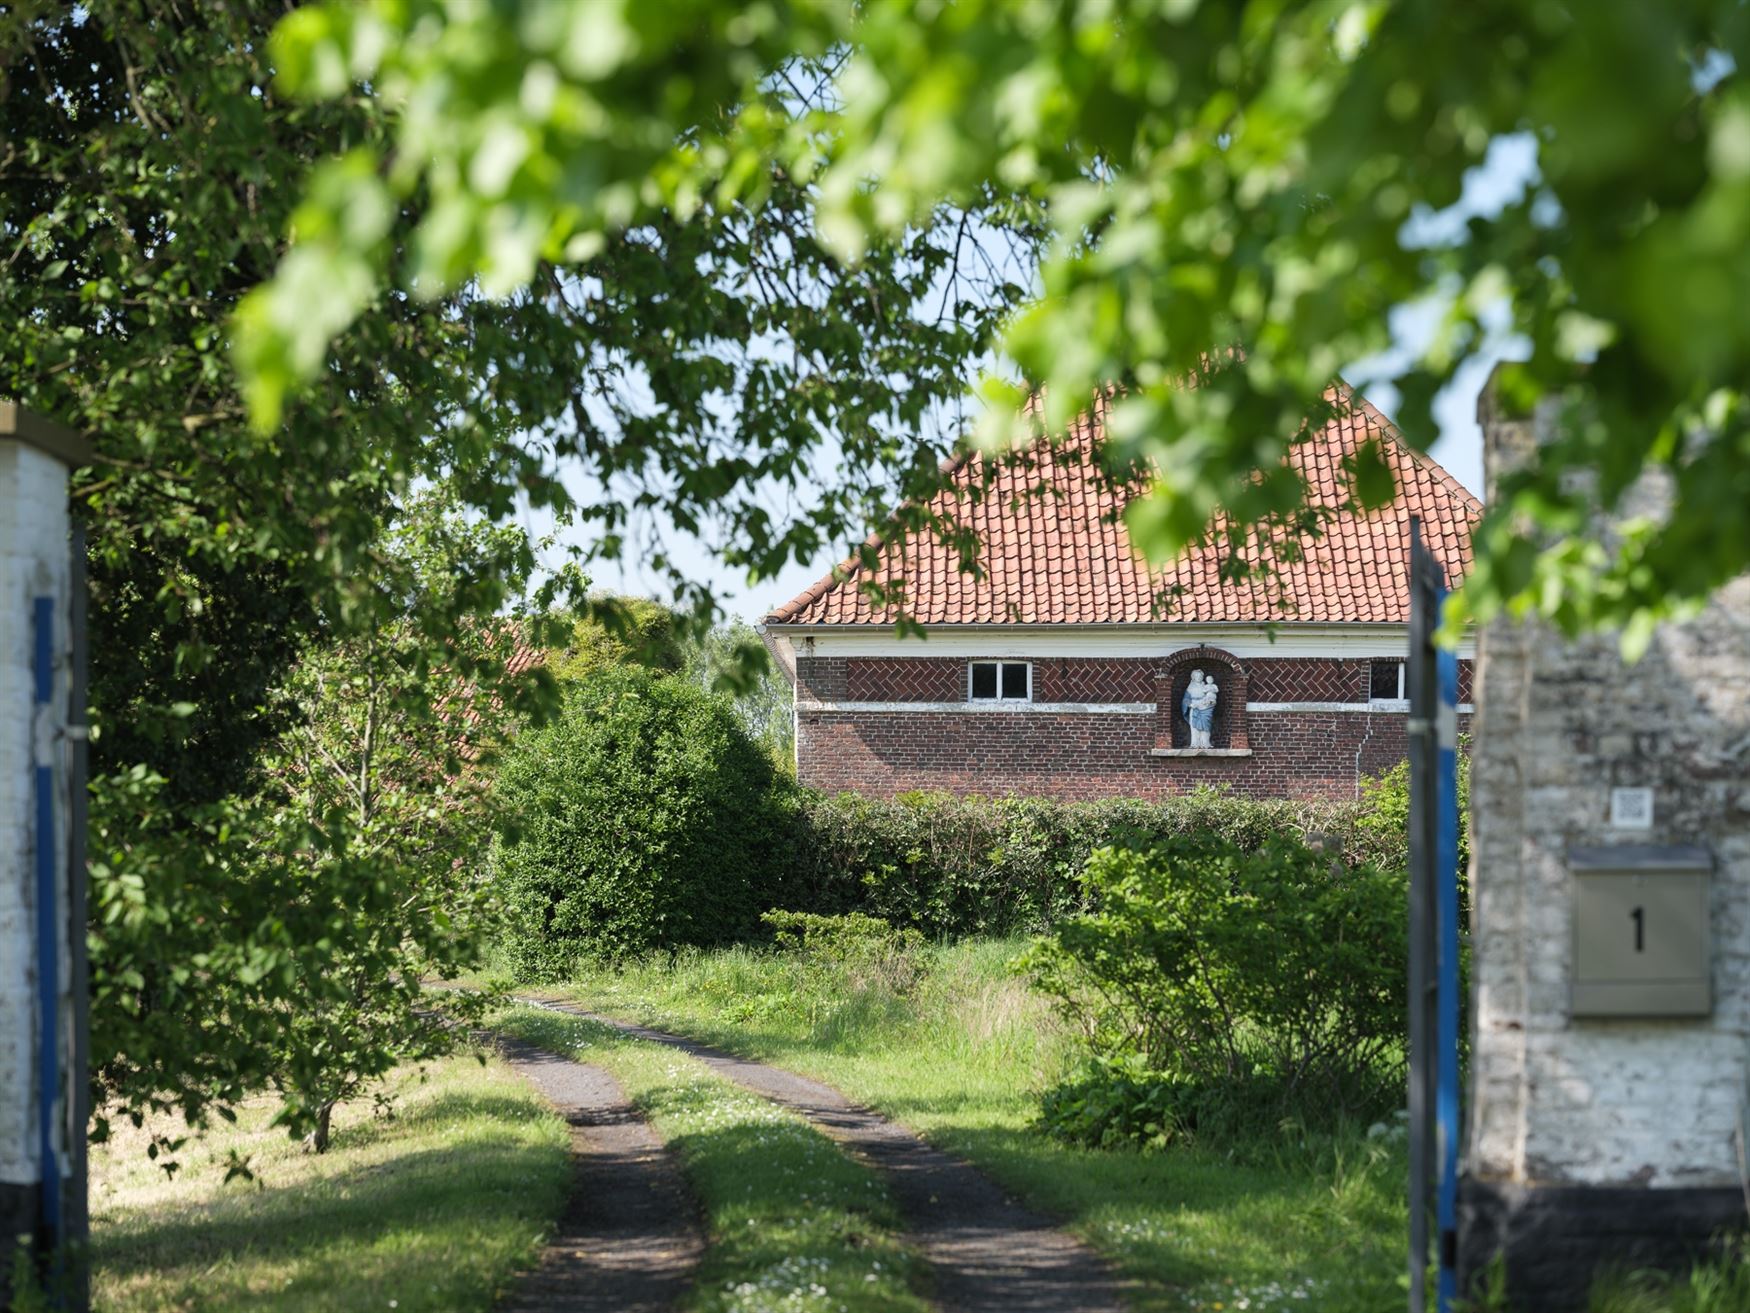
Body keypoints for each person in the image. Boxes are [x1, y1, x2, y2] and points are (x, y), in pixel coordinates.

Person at [1181, 668, 1218, 748]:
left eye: (1200, 676)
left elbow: (1211, 696)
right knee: (1194, 727)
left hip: (1205, 707)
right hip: (1194, 707)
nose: (1199, 677)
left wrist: (1209, 702)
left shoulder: (1206, 686)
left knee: (1206, 726)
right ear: (1193, 677)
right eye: (1197, 676)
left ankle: (1205, 743)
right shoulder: (1190, 688)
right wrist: (1190, 704)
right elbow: (1185, 699)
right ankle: (1195, 744)